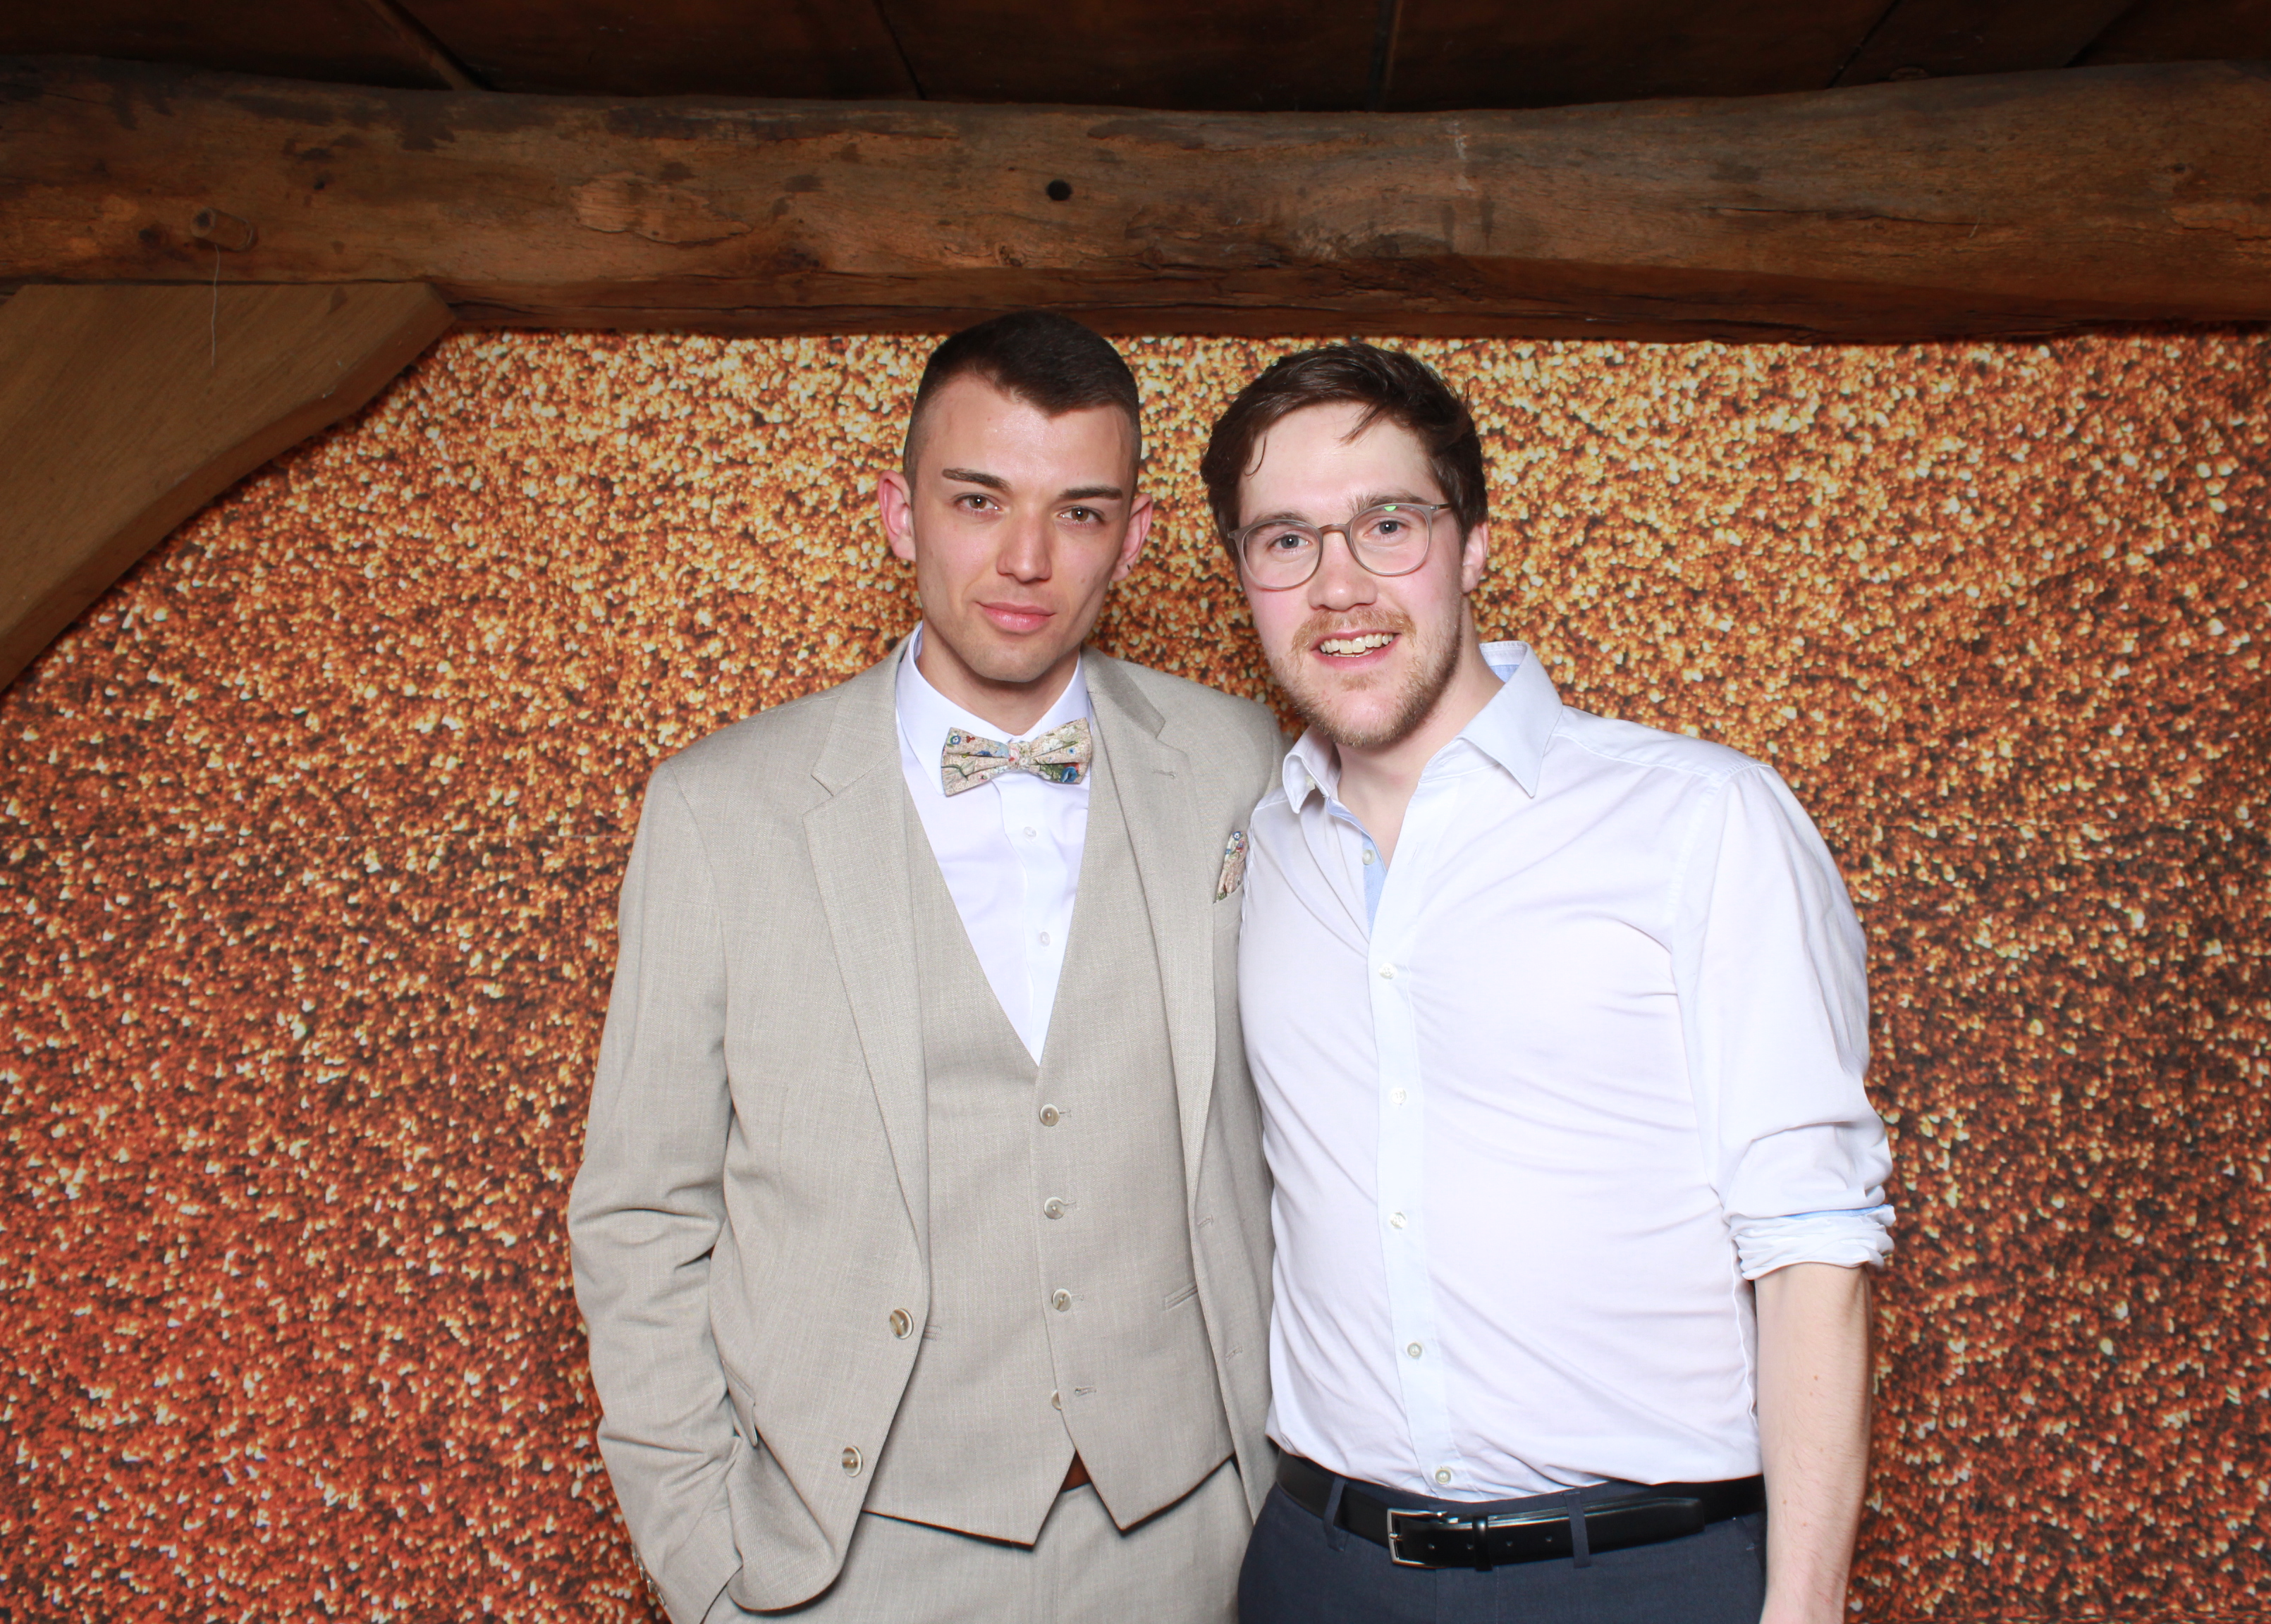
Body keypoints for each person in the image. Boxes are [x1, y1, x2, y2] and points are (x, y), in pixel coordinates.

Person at [570, 312, 1283, 1624]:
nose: (1026, 559)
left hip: (1196, 1536)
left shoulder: (1242, 763)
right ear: (899, 515)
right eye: (977, 500)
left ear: (1133, 538)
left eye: (1079, 513)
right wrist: (707, 1565)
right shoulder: (722, 811)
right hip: (853, 1557)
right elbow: (642, 1211)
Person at [1201, 342, 1894, 1624]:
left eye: (1387, 525)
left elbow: (1813, 1241)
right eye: (1285, 541)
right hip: (1319, 1568)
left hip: (1639, 1574)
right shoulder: (1260, 846)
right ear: (1244, 574)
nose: (1339, 586)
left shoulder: (1701, 819)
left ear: (1472, 545)